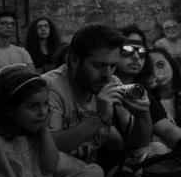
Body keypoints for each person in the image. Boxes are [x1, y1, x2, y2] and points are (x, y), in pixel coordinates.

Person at [42, 24, 152, 169]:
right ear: (74, 60)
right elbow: (48, 147)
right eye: (99, 66)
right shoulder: (50, 88)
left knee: (154, 149)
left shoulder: (112, 83)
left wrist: (142, 115)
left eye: (113, 66)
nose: (107, 75)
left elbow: (138, 143)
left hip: (93, 171)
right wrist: (99, 119)